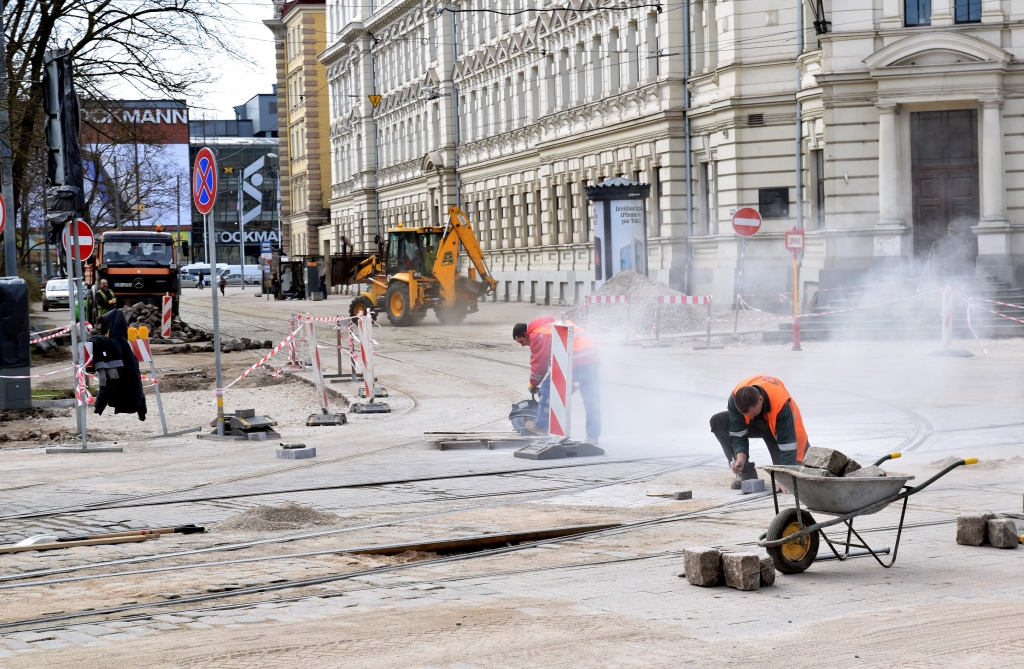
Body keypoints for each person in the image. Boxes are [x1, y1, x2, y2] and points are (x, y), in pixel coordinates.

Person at [710, 375, 809, 489]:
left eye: (753, 414)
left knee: (798, 474)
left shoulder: (780, 403)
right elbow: (738, 433)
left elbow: (787, 444)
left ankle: (795, 470)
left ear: (760, 399)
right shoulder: (735, 398)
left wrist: (785, 479)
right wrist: (740, 459)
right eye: (747, 415)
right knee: (718, 421)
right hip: (761, 423)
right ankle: (746, 471)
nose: (751, 418)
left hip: (781, 429)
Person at [513, 317, 601, 444]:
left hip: (574, 358)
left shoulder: (537, 334)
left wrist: (533, 383)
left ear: (526, 334)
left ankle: (541, 426)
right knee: (591, 398)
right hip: (592, 358)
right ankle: (593, 436)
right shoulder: (549, 326)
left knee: (548, 387)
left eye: (521, 341)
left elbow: (539, 365)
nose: (523, 345)